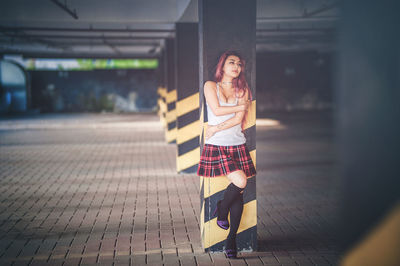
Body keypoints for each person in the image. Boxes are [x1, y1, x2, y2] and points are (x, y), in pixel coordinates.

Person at [197, 50, 256, 259]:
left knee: (239, 191)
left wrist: (216, 127)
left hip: (237, 144)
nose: (236, 66)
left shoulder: (242, 88)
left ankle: (231, 240)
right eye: (232, 62)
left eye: (239, 64)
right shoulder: (210, 85)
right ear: (222, 66)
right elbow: (217, 108)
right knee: (240, 181)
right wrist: (242, 105)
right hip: (217, 145)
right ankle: (221, 208)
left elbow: (237, 119)